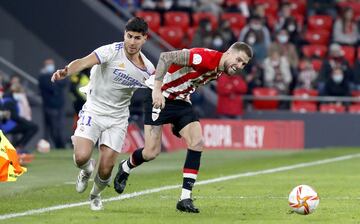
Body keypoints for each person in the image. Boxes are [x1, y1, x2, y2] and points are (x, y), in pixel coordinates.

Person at [114, 42, 253, 213]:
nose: (239, 66)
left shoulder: (219, 69)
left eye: (243, 64)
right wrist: (157, 90)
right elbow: (166, 57)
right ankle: (126, 166)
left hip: (180, 101)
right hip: (158, 95)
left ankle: (185, 198)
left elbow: (188, 81)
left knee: (197, 142)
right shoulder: (205, 57)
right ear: (229, 52)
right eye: (238, 60)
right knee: (151, 152)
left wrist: (177, 117)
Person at [51, 17, 155, 211]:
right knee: (82, 157)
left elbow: (158, 89)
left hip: (117, 118)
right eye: (129, 36)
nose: (132, 42)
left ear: (145, 39)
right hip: (94, 110)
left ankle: (95, 195)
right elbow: (83, 62)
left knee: (106, 168)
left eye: (137, 38)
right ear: (124, 34)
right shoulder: (111, 51)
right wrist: (65, 71)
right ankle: (85, 170)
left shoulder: (148, 69)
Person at [38, 58, 67, 149]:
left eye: (51, 64)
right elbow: (51, 87)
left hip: (60, 105)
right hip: (49, 106)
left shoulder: (57, 74)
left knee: (60, 127)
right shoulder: (43, 76)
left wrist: (56, 81)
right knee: (53, 128)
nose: (50, 66)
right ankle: (58, 146)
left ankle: (61, 146)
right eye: (48, 64)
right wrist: (55, 81)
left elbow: (64, 82)